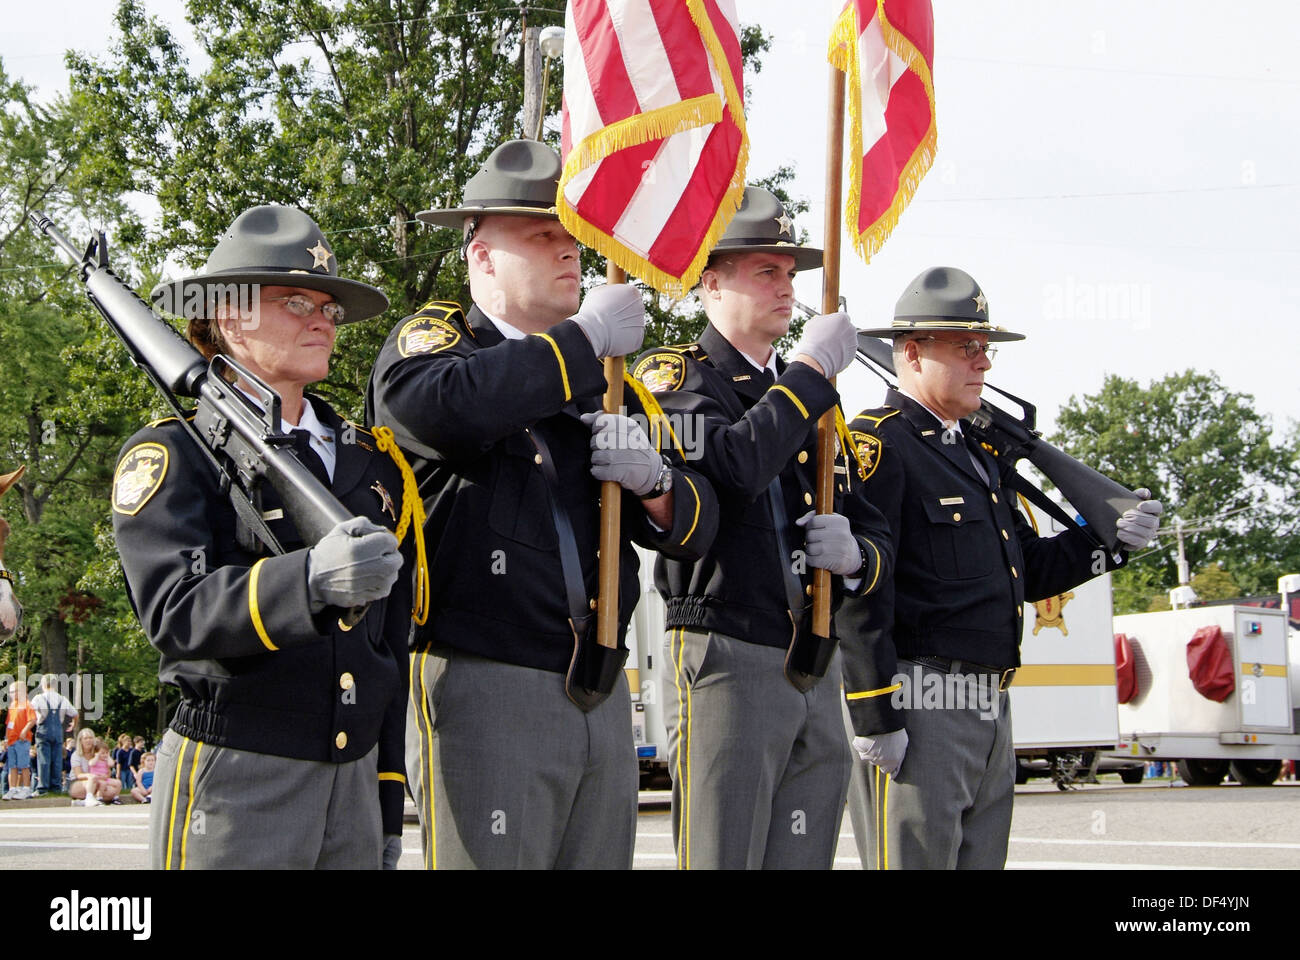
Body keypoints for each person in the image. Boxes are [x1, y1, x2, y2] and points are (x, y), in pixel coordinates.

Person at [367, 139, 719, 869]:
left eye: (575, 239)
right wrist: (584, 337)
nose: (570, 255)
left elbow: (698, 526)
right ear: (481, 256)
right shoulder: (437, 345)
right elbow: (447, 411)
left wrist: (654, 482)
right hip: (485, 677)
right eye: (544, 237)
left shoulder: (610, 383)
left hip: (599, 682)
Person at [114, 204, 418, 869]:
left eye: (329, 308)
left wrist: (386, 796)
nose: (322, 318)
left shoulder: (374, 465)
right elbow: (175, 610)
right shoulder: (175, 455)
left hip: (354, 781)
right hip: (237, 775)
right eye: (296, 301)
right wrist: (305, 583)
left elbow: (389, 645)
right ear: (230, 316)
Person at [837, 266, 1163, 869]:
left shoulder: (978, 456)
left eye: (984, 348)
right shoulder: (877, 446)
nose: (982, 362)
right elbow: (859, 589)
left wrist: (1109, 542)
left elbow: (1024, 572)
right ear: (912, 352)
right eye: (966, 347)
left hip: (991, 702)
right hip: (919, 700)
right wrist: (875, 710)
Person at [630, 187, 893, 869]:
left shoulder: (813, 405)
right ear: (710, 281)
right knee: (725, 857)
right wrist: (809, 375)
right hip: (727, 649)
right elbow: (733, 465)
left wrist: (858, 555)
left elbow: (877, 529)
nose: (787, 287)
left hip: (812, 655)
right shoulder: (676, 378)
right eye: (766, 271)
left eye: (791, 273)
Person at [30, 673, 77, 796]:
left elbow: (30, 712)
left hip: (43, 730)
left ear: (43, 684)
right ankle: (56, 787)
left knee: (44, 759)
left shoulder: (39, 698)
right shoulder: (62, 699)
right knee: (57, 759)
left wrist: (36, 720)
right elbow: (74, 713)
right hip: (58, 731)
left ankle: (43, 787)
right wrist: (73, 724)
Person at [68, 728, 120, 806]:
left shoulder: (98, 754)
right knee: (92, 779)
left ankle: (83, 802)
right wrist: (90, 776)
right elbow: (78, 775)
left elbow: (107, 771)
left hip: (98, 781)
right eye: (85, 738)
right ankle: (89, 799)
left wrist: (104, 776)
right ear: (81, 741)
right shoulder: (76, 755)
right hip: (79, 782)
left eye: (90, 738)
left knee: (112, 792)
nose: (88, 740)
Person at [3, 680, 35, 800]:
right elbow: (9, 723)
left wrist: (24, 731)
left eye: (12, 691)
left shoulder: (27, 704)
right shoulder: (12, 706)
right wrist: (6, 739)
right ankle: (12, 789)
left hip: (22, 740)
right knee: (12, 765)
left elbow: (32, 720)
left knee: (24, 764)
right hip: (11, 740)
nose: (10, 694)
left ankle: (26, 788)